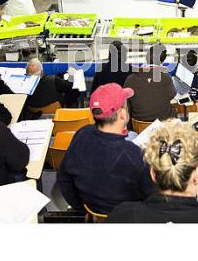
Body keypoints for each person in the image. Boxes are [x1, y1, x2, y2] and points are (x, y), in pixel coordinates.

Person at [57, 83, 155, 214]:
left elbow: (64, 179)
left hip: (91, 212)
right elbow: (152, 197)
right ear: (122, 115)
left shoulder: (81, 134)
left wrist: (82, 209)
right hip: (126, 217)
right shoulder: (133, 154)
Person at [124, 44, 177, 122]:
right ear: (163, 60)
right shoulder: (166, 77)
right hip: (163, 125)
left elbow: (126, 104)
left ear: (146, 57)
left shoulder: (130, 79)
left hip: (138, 126)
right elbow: (172, 95)